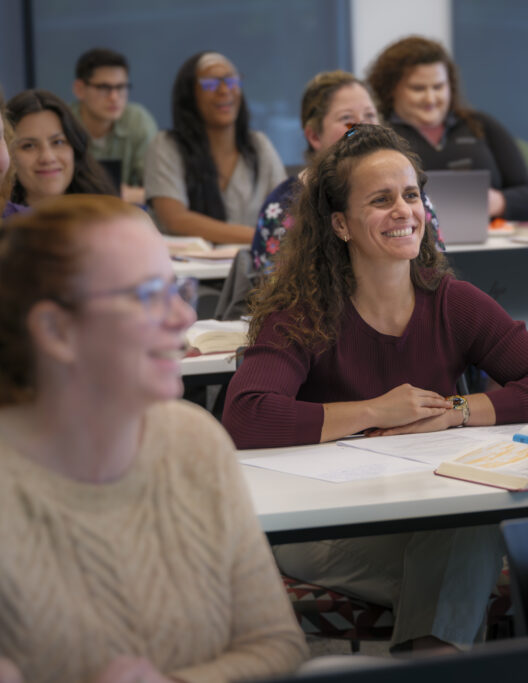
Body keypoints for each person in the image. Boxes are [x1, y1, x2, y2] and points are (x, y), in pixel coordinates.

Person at [222, 124, 528, 651]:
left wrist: (457, 410)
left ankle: (427, 656)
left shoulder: (453, 301)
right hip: (324, 525)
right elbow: (246, 415)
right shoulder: (303, 312)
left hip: (429, 511)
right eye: (381, 200)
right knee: (473, 562)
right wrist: (372, 411)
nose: (403, 211)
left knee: (465, 530)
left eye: (411, 195)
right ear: (340, 224)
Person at [0, 195, 307, 682]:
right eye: (147, 296)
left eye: (177, 289)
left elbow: (276, 644)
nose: (183, 318)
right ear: (56, 329)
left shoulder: (195, 443)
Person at [251, 70, 441, 278]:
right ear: (314, 135)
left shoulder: (409, 192)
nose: (362, 128)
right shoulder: (283, 206)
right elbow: (274, 289)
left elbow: (433, 271)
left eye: (370, 115)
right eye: (347, 120)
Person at [366, 36, 528, 221]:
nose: (430, 99)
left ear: (450, 86)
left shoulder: (480, 125)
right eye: (418, 89)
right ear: (391, 89)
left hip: (491, 242)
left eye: (438, 87)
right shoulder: (377, 136)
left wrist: (497, 202)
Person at [145, 51, 286, 244]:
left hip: (254, 267)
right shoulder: (166, 145)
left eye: (231, 81)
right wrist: (259, 237)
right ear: (189, 94)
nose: (224, 90)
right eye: (210, 83)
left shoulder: (259, 145)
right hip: (192, 271)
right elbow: (175, 219)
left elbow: (287, 210)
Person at [71, 47, 158, 204]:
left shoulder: (137, 120)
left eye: (121, 87)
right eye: (104, 88)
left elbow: (159, 190)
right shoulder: (63, 122)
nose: (114, 97)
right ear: (80, 89)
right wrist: (118, 193)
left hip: (123, 218)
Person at [6, 89, 118, 207]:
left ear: (75, 148)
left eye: (58, 142)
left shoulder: (108, 213)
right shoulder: (4, 222)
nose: (47, 157)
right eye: (29, 146)